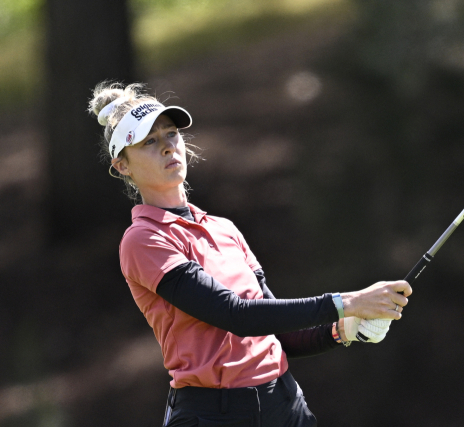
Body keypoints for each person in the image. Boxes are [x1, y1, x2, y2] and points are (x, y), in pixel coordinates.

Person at [88, 82, 412, 427]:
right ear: (122, 165)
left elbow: (274, 333)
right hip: (215, 413)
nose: (168, 147)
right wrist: (348, 302)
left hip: (285, 404)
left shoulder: (224, 228)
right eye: (149, 141)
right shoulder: (143, 239)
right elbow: (235, 315)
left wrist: (344, 330)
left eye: (171, 134)